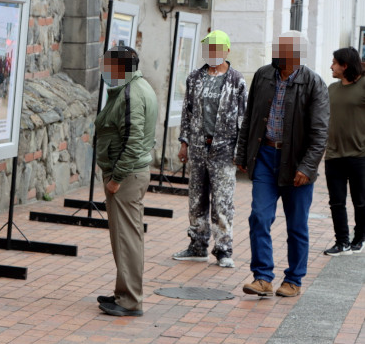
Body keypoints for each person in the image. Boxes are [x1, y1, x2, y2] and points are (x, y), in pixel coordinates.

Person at [235, 31, 329, 298]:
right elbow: (250, 117)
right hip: (265, 156)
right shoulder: (263, 75)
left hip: (297, 163)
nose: (277, 52)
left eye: (284, 49)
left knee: (296, 224)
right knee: (259, 216)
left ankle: (294, 280)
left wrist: (308, 168)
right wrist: (243, 154)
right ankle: (263, 277)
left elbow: (320, 132)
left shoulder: (314, 84)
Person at [173, 30, 247, 268]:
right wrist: (184, 143)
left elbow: (243, 117)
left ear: (226, 51)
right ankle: (197, 245)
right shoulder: (195, 77)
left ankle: (224, 249)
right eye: (209, 49)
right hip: (197, 147)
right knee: (196, 199)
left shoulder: (237, 80)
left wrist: (240, 151)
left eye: (216, 49)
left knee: (222, 202)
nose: (212, 54)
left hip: (224, 150)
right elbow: (188, 112)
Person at [94, 45, 158, 316]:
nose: (104, 70)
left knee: (127, 238)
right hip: (130, 173)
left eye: (107, 65)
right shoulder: (134, 88)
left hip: (127, 176)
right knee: (124, 238)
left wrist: (116, 179)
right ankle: (124, 293)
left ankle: (130, 300)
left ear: (120, 67)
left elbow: (132, 142)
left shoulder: (132, 94)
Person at [323, 47, 365, 256]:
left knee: (361, 201)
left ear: (345, 65)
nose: (331, 66)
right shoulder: (331, 89)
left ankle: (360, 239)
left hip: (360, 156)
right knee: (336, 202)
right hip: (333, 156)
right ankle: (342, 242)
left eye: (334, 63)